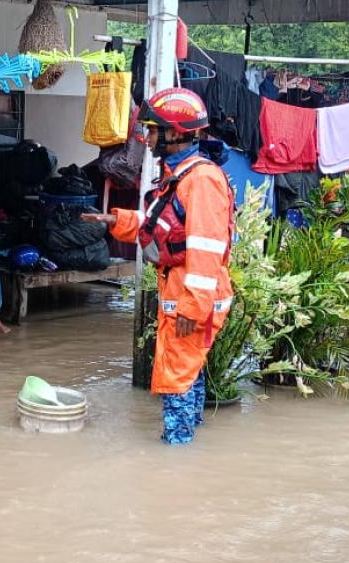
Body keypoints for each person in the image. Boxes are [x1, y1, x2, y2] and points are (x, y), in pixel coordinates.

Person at [83, 88, 235, 445]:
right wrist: (114, 219)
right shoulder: (182, 175)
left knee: (177, 376)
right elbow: (161, 225)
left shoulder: (200, 180)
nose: (147, 138)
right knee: (188, 372)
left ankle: (175, 453)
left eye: (153, 130)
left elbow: (206, 248)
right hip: (184, 292)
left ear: (177, 132)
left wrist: (192, 306)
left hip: (190, 296)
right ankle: (186, 444)